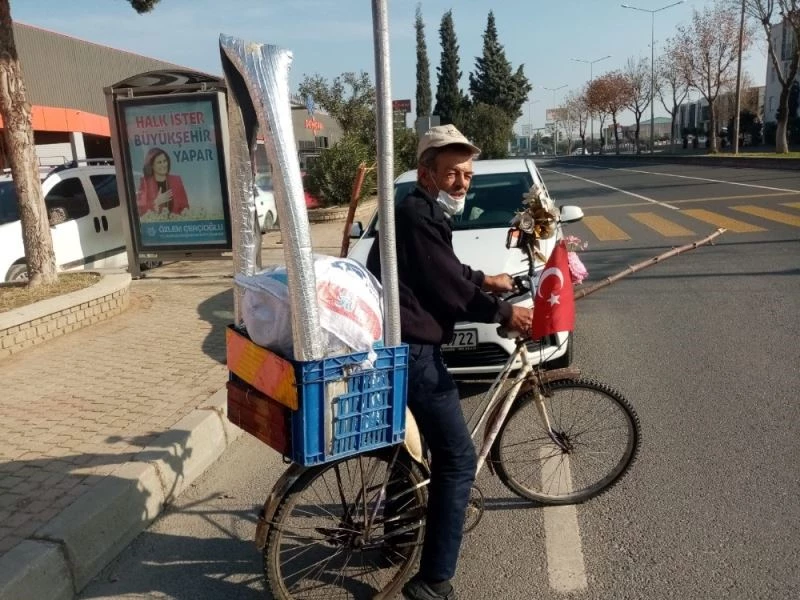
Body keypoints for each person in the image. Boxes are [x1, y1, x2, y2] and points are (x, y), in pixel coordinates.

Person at [366, 125, 532, 600]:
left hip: (402, 345)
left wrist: (488, 278)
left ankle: (396, 540)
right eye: (452, 174)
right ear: (426, 174)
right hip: (414, 352)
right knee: (457, 461)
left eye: (467, 174)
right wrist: (504, 312)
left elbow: (445, 270)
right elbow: (448, 289)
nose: (463, 183)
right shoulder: (418, 215)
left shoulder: (418, 211)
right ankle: (433, 581)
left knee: (408, 452)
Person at [136, 147, 189, 215]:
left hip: (176, 224)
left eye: (165, 161)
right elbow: (141, 210)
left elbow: (185, 206)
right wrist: (156, 202)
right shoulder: (145, 183)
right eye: (159, 162)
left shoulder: (177, 180)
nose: (163, 165)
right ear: (151, 165)